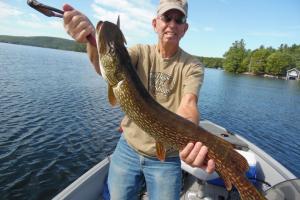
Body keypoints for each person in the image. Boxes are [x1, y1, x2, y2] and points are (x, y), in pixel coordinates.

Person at [63, 0, 215, 199]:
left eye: (179, 20)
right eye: (167, 18)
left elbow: (189, 104)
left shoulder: (192, 66)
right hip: (128, 148)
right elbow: (107, 67)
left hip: (167, 159)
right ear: (155, 24)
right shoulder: (139, 52)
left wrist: (190, 137)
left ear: (185, 29)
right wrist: (91, 41)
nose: (172, 24)